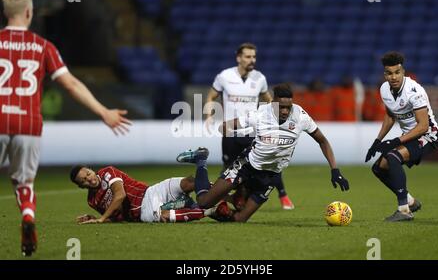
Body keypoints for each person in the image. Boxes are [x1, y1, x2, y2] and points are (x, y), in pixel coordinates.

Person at [0, 0, 131, 256]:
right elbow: (70, 84)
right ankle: (27, 214)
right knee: (24, 182)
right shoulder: (43, 46)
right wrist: (103, 111)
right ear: (28, 12)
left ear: (6, 13)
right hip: (29, 123)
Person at [178, 83, 350, 222]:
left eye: (288, 107)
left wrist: (335, 170)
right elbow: (225, 127)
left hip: (270, 176)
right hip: (246, 167)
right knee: (203, 202)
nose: (284, 111)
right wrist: (231, 128)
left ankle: (216, 209)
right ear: (273, 102)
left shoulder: (301, 116)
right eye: (281, 107)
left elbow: (323, 141)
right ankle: (201, 160)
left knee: (239, 219)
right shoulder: (260, 114)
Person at [204, 42, 295, 210]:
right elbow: (211, 97)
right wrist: (209, 116)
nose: (252, 60)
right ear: (239, 58)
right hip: (231, 132)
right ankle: (238, 197)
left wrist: (277, 119)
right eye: (248, 56)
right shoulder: (224, 76)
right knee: (231, 169)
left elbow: (269, 100)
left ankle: (283, 195)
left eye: (254, 56)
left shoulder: (259, 78)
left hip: (253, 131)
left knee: (268, 161)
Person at [365, 51, 438, 222]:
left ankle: (404, 210)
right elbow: (391, 115)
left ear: (403, 72)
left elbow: (423, 126)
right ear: (385, 74)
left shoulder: (414, 91)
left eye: (397, 72)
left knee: (393, 157)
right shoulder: (384, 89)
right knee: (379, 168)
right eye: (389, 73)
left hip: (428, 135)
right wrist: (377, 141)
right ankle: (410, 201)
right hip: (409, 136)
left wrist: (396, 140)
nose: (393, 77)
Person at [69, 165, 211, 224]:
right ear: (81, 186)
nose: (89, 179)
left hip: (151, 192)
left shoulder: (107, 172)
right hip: (143, 213)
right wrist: (98, 218)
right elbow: (115, 218)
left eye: (88, 173)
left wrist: (101, 218)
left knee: (189, 181)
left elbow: (120, 195)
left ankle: (223, 192)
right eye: (84, 180)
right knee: (165, 215)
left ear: (91, 169)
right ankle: (209, 211)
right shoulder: (92, 201)